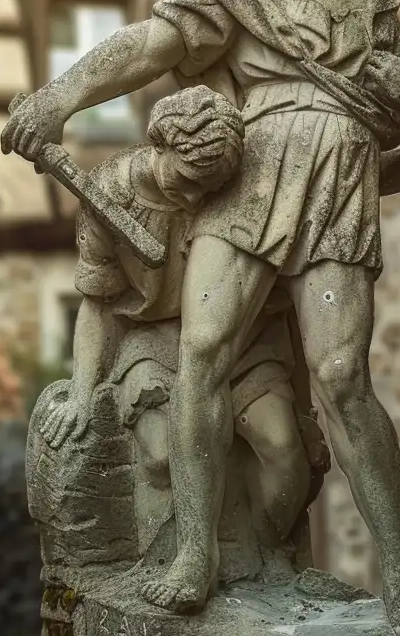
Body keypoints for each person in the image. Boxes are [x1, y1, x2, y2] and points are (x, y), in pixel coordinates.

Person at [3, 0, 400, 636]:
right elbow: (149, 45)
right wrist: (60, 95)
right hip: (248, 189)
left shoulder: (375, 13)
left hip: (340, 192)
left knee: (343, 374)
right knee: (202, 352)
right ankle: (195, 554)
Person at [39, 86, 318, 568]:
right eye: (186, 180)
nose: (193, 197)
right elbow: (97, 304)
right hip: (155, 340)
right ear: (159, 144)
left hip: (241, 338)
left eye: (206, 189)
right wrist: (84, 391)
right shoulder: (108, 194)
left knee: (285, 452)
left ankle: (268, 560)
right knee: (161, 456)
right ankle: (179, 558)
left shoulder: (229, 186)